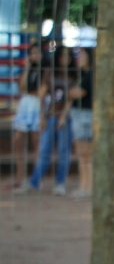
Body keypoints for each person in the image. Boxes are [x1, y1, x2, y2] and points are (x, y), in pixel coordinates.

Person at [27, 46, 74, 195]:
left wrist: (63, 116)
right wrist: (41, 116)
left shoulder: (73, 74)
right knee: (44, 150)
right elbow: (41, 94)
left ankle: (60, 183)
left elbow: (71, 99)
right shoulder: (50, 73)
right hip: (50, 115)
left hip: (65, 118)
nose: (65, 58)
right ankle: (34, 182)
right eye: (63, 55)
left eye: (68, 55)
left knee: (63, 151)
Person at [11, 43, 46, 193]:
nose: (35, 56)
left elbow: (42, 91)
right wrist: (26, 67)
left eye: (37, 53)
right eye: (32, 53)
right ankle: (21, 177)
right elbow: (23, 87)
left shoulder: (45, 70)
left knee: (36, 142)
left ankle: (35, 179)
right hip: (26, 103)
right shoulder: (29, 69)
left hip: (37, 104)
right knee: (18, 140)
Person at [69, 47, 94, 198]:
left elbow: (79, 92)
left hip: (86, 116)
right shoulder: (81, 75)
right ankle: (83, 186)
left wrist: (72, 92)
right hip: (78, 114)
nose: (79, 58)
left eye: (82, 55)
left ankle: (88, 187)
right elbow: (72, 93)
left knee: (87, 155)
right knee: (81, 154)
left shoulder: (90, 75)